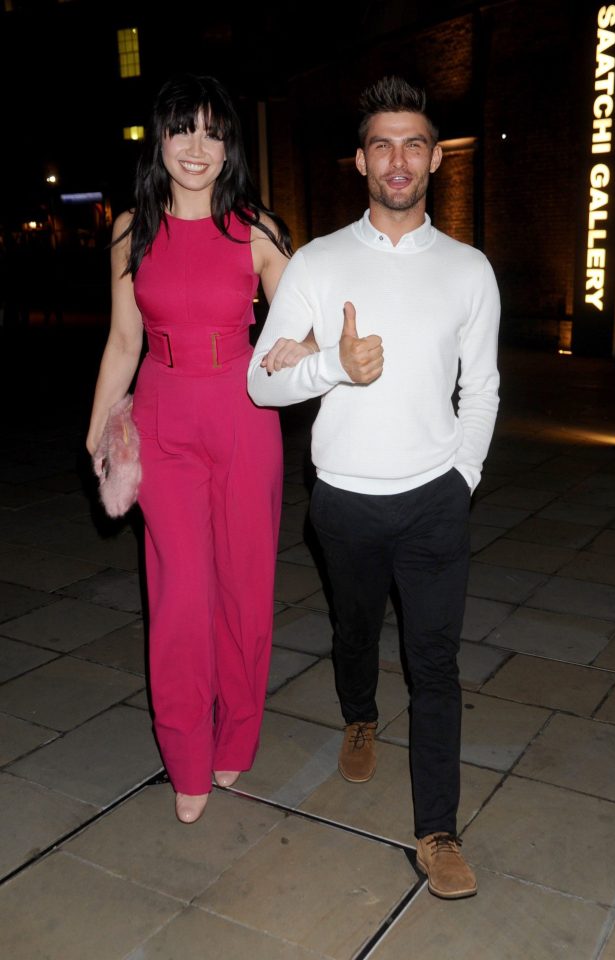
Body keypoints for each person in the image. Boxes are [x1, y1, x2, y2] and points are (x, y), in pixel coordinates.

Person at [247, 75, 500, 899]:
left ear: (435, 159)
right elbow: (261, 381)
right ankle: (360, 713)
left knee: (435, 664)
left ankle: (439, 832)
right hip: (345, 502)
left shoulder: (469, 270)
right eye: (383, 144)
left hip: (434, 499)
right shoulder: (318, 261)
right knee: (355, 633)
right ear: (361, 160)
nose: (399, 159)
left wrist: (463, 475)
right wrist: (333, 367)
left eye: (415, 143)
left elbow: (483, 387)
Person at [87, 73, 307, 825]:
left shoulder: (258, 229)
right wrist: (95, 430)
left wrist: (307, 345)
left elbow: (300, 321)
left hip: (243, 414)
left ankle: (236, 731)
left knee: (242, 586)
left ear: (229, 147)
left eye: (213, 132)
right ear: (162, 139)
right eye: (184, 129)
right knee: (180, 590)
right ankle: (184, 752)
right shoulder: (130, 229)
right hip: (163, 416)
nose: (197, 147)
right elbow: (123, 339)